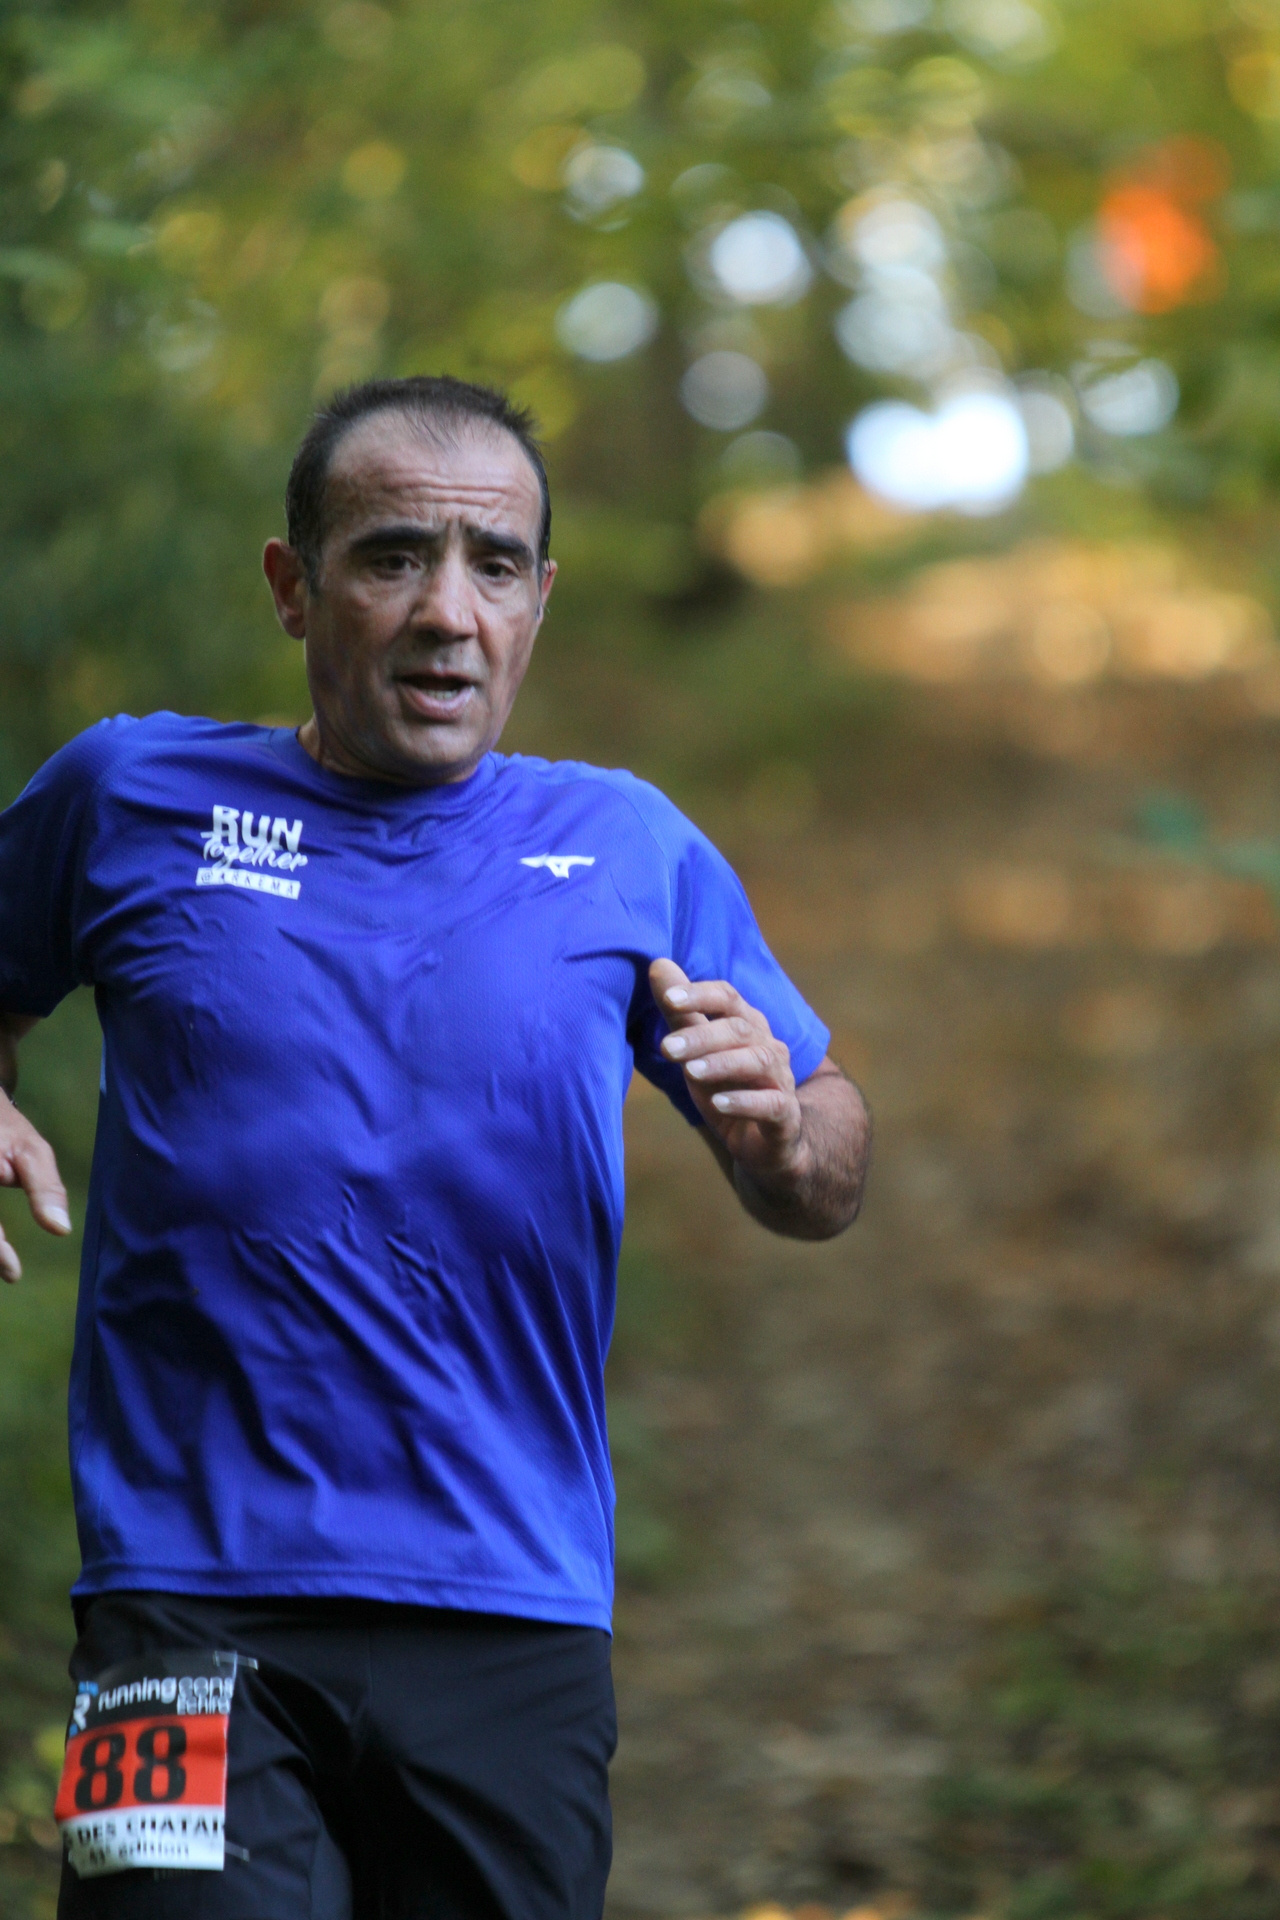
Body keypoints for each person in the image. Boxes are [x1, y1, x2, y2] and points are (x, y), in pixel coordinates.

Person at [0, 375, 871, 1920]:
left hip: (511, 1612)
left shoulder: (628, 846)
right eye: (393, 557)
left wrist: (785, 1136)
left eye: (495, 566)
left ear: (540, 600)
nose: (447, 614)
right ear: (294, 587)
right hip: (182, 1606)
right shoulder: (128, 796)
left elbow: (830, 1157)